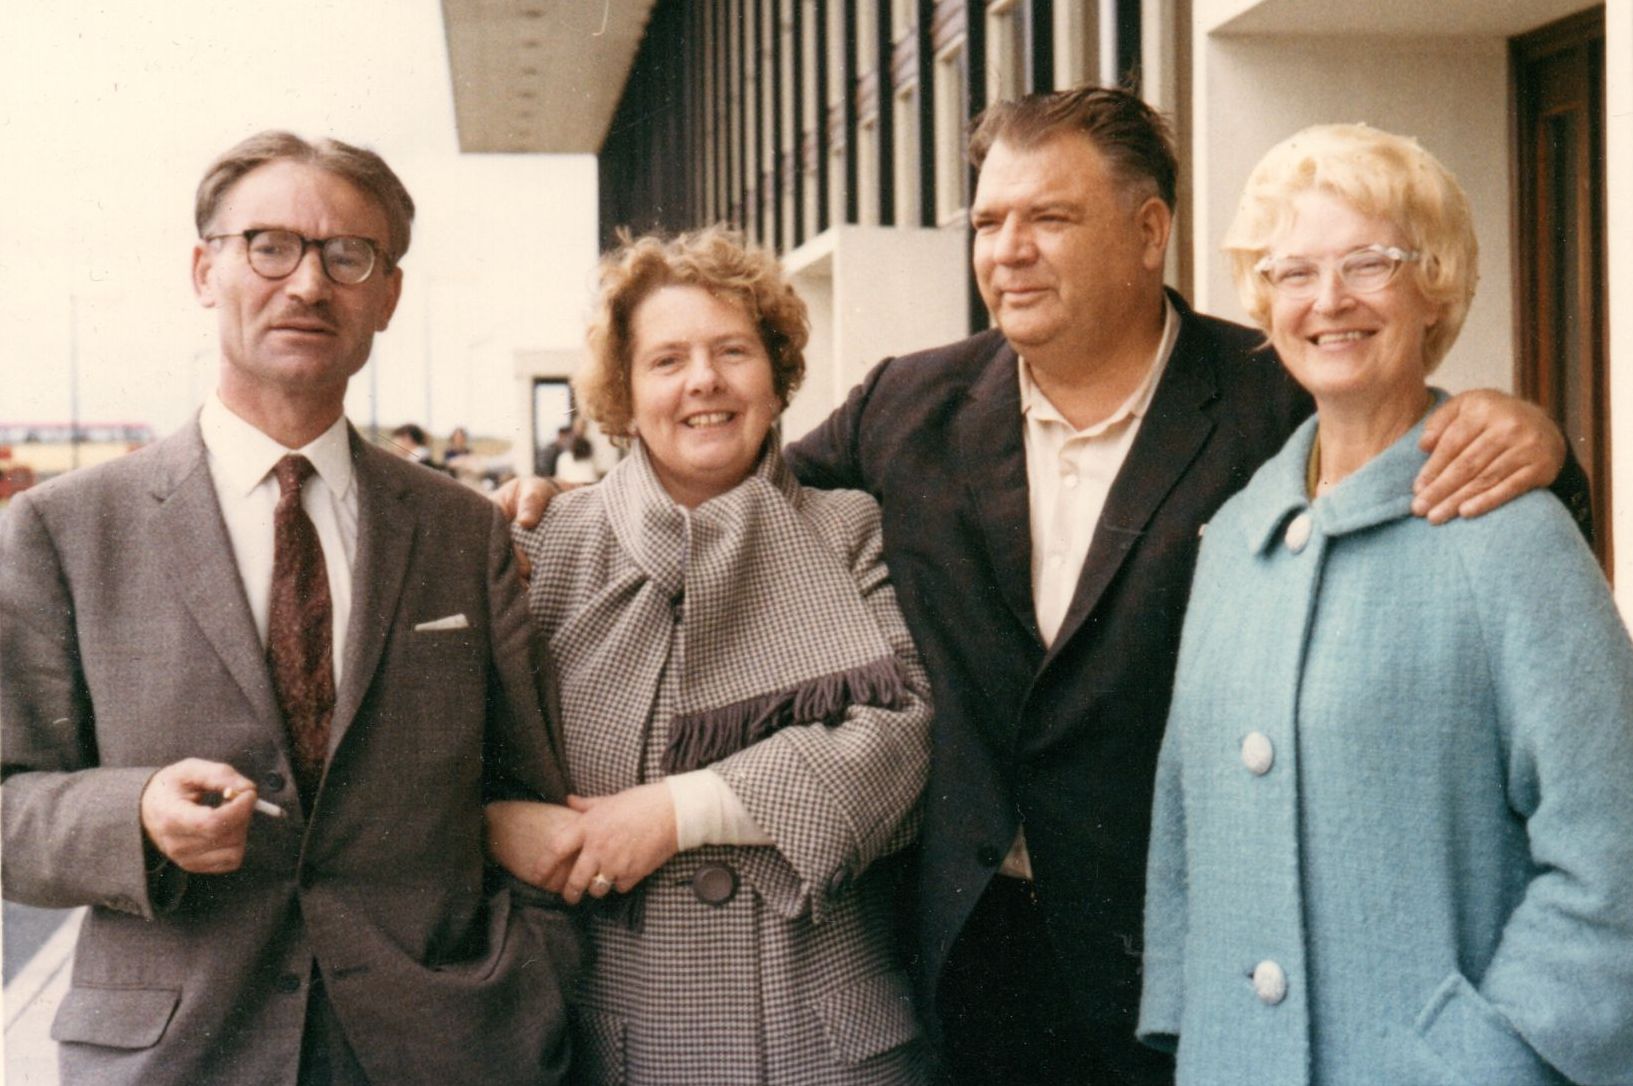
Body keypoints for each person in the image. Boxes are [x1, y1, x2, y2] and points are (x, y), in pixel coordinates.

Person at [503, 87, 1583, 1085]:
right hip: (962, 972)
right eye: (987, 223)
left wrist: (1533, 438)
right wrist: (565, 507)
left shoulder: (1272, 396)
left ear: (1150, 230)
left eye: (1050, 219)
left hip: (1190, 979)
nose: (1008, 252)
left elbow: (1411, 457)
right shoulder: (905, 407)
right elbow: (733, 483)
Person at [0, 131, 579, 1085]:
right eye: (269, 245)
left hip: (440, 1047)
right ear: (204, 269)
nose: (308, 284)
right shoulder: (66, 529)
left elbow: (526, 787)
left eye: (348, 255)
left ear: (387, 295)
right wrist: (133, 812)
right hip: (181, 1054)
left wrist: (533, 986)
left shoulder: (460, 531)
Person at [1138, 124, 1633, 1086]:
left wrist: (1492, 1059)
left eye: (1369, 264)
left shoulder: (1509, 532)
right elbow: (1183, 820)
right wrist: (1197, 1032)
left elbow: (1611, 846)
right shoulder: (1236, 538)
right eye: (1292, 272)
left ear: (1434, 285)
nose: (1327, 301)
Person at [486, 227, 933, 1084]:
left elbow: (904, 742)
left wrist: (674, 814)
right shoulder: (544, 547)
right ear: (623, 390)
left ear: (776, 374)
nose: (704, 382)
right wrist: (493, 826)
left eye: (733, 351)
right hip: (621, 1045)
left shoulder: (850, 530)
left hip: (829, 1046)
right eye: (667, 360)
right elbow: (447, 755)